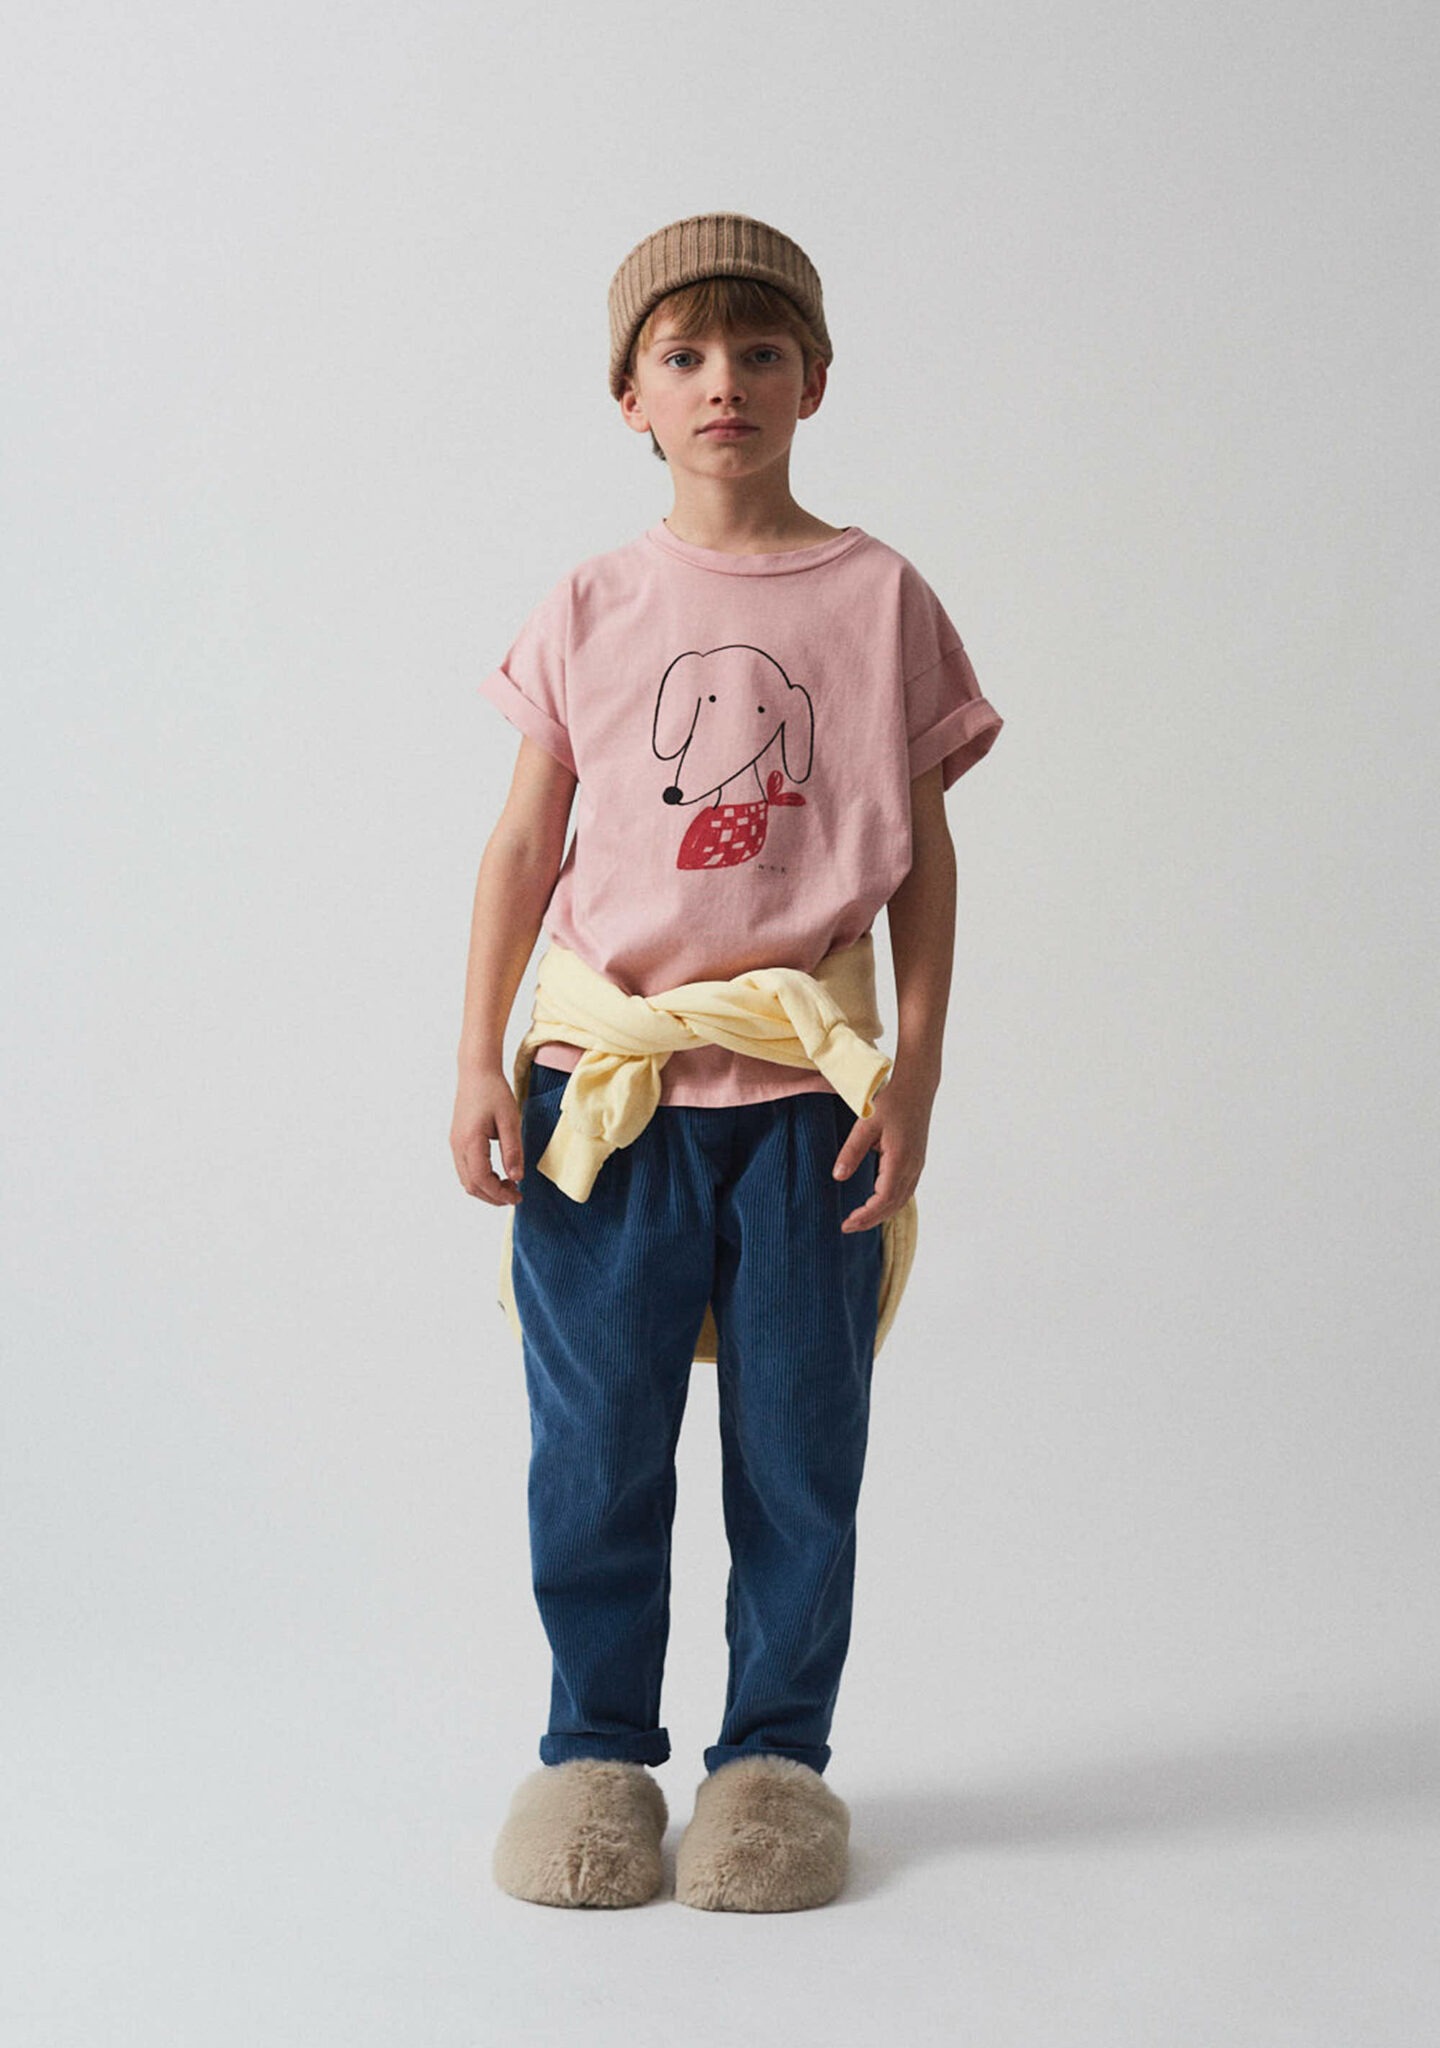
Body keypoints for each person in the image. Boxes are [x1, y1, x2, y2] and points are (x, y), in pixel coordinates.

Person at [451, 212, 1003, 1912]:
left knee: (801, 1445)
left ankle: (773, 1764)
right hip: (605, 1090)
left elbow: (923, 858)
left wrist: (913, 1073)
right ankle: (593, 1756)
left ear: (814, 381)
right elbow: (522, 845)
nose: (724, 385)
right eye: (683, 356)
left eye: (761, 353)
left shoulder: (880, 598)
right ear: (629, 396)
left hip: (805, 1097)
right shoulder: (592, 603)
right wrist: (478, 1058)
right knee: (595, 1441)